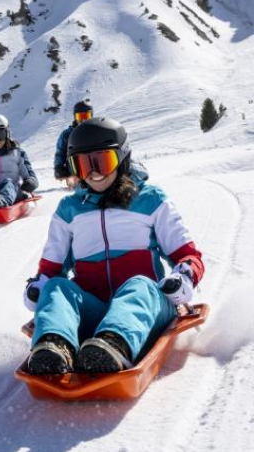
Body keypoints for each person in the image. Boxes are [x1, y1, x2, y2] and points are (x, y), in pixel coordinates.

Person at [23, 117, 204, 374]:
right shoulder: (68, 210)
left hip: (146, 311)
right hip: (94, 311)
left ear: (122, 157)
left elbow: (187, 254)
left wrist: (183, 277)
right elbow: (51, 269)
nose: (93, 173)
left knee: (140, 284)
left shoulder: (151, 200)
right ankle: (54, 347)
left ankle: (114, 346)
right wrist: (39, 287)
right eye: (83, 165)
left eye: (102, 162)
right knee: (57, 287)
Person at [53, 100, 93, 190]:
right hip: (74, 168)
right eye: (80, 116)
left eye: (86, 116)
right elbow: (60, 152)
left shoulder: (96, 132)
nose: (83, 120)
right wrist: (59, 167)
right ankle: (76, 183)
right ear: (75, 117)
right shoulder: (67, 134)